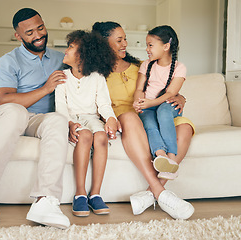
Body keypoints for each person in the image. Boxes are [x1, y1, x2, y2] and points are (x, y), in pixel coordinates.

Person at [0, 8, 70, 229]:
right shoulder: (9, 60)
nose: (38, 35)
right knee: (16, 112)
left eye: (40, 28)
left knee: (59, 121)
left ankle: (46, 201)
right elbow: (5, 100)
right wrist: (45, 89)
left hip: (37, 119)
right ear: (18, 36)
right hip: (4, 115)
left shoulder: (61, 59)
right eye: (30, 32)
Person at [92, 21, 195, 220]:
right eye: (119, 40)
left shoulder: (142, 66)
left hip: (152, 114)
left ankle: (150, 194)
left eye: (125, 39)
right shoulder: (97, 74)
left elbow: (165, 88)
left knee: (184, 126)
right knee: (130, 116)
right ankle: (160, 191)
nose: (125, 44)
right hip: (126, 120)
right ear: (104, 45)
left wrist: (181, 98)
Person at [55, 30, 118, 217]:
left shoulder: (97, 78)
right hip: (74, 119)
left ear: (83, 56)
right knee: (85, 136)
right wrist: (69, 123)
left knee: (100, 137)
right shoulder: (61, 77)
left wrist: (111, 119)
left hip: (92, 118)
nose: (65, 51)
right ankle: (80, 194)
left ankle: (96, 194)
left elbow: (104, 104)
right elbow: (60, 106)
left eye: (71, 48)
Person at [133, 25, 185, 180]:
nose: (147, 49)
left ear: (166, 46)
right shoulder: (146, 65)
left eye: (150, 45)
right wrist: (139, 101)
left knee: (162, 111)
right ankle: (161, 156)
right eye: (146, 45)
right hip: (148, 106)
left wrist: (151, 103)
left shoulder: (179, 67)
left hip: (168, 105)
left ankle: (172, 157)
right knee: (148, 121)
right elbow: (139, 89)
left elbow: (170, 93)